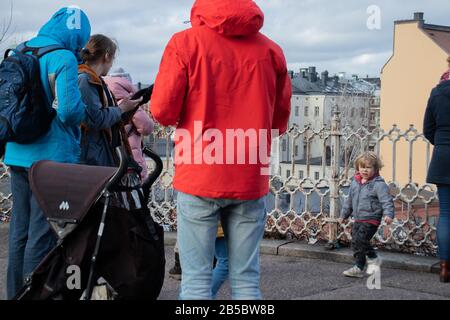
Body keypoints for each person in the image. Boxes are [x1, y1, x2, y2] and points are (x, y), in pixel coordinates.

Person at [151, 0, 291, 300]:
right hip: (250, 173)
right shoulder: (270, 51)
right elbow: (280, 120)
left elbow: (162, 110)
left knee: (196, 282)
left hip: (200, 171)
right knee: (246, 280)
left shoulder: (184, 43)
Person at [4, 7, 91, 299]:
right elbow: (68, 112)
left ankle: (15, 293)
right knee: (41, 237)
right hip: (50, 162)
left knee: (19, 233)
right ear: (79, 34)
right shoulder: (63, 57)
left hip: (16, 154)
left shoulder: (21, 49)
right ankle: (34, 295)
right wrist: (84, 110)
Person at [78, 35, 141, 167]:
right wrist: (121, 108)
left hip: (99, 153)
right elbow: (96, 119)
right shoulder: (86, 80)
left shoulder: (98, 81)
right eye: (113, 59)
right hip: (92, 158)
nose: (112, 64)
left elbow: (109, 120)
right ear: (106, 56)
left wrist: (128, 108)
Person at [339, 152, 394, 278]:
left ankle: (372, 258)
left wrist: (388, 214)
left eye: (368, 167)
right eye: (362, 167)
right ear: (358, 168)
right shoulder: (355, 183)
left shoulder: (378, 184)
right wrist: (344, 215)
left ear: (375, 169)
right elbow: (349, 201)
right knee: (355, 242)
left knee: (361, 240)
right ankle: (358, 267)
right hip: (358, 218)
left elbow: (386, 201)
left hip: (371, 219)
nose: (365, 170)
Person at [423, 66, 450, 283]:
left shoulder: (437, 91)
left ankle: (444, 268)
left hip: (443, 158)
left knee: (446, 215)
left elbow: (427, 129)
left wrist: (441, 144)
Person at [104, 68, 155, 181]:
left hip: (110, 158)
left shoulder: (105, 102)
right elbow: (147, 127)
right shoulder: (131, 104)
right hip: (131, 157)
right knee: (134, 189)